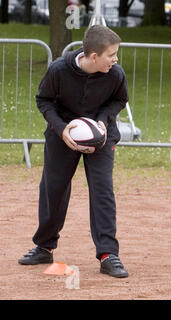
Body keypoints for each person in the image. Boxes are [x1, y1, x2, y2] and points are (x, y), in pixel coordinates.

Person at [18, 25, 129, 278]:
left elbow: (119, 100)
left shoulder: (115, 74)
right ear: (93, 57)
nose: (115, 59)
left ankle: (108, 254)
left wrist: (102, 120)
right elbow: (43, 99)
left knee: (102, 189)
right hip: (63, 134)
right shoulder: (59, 69)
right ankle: (44, 246)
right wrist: (62, 129)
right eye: (111, 54)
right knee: (53, 187)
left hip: (102, 136)